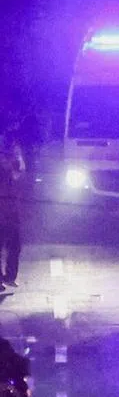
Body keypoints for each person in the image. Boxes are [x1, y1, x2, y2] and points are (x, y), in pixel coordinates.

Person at [0, 116, 25, 289]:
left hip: (11, 204)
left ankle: (9, 277)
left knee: (15, 244)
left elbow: (20, 170)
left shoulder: (14, 150)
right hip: (3, 204)